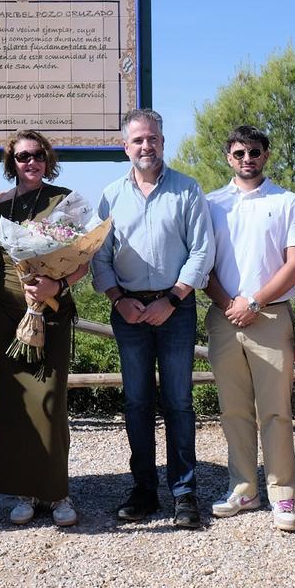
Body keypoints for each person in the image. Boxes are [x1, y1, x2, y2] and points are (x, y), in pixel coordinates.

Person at [92, 108, 215, 528]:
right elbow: (99, 255)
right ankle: (144, 490)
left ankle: (184, 493)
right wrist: (117, 298)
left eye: (153, 138)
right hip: (127, 310)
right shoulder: (110, 196)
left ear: (163, 141)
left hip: (174, 309)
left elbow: (202, 251)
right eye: (138, 140)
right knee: (137, 403)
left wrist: (174, 298)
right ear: (125, 147)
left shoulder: (187, 190)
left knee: (179, 403)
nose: (147, 146)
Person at [0, 130, 87, 527]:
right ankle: (24, 491)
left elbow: (81, 261)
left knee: (50, 403)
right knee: (14, 405)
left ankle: (57, 493)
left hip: (50, 312)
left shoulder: (66, 201)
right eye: (22, 157)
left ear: (47, 158)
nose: (31, 162)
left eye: (37, 155)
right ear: (11, 163)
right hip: (5, 314)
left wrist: (59, 284)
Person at [204, 126, 295, 532]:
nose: (247, 158)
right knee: (233, 410)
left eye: (255, 151)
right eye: (239, 152)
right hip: (224, 315)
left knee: (277, 411)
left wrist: (256, 302)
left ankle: (283, 495)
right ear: (229, 157)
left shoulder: (286, 201)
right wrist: (230, 304)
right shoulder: (211, 204)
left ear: (266, 155)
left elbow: (294, 263)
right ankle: (244, 488)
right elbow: (203, 265)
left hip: (270, 316)